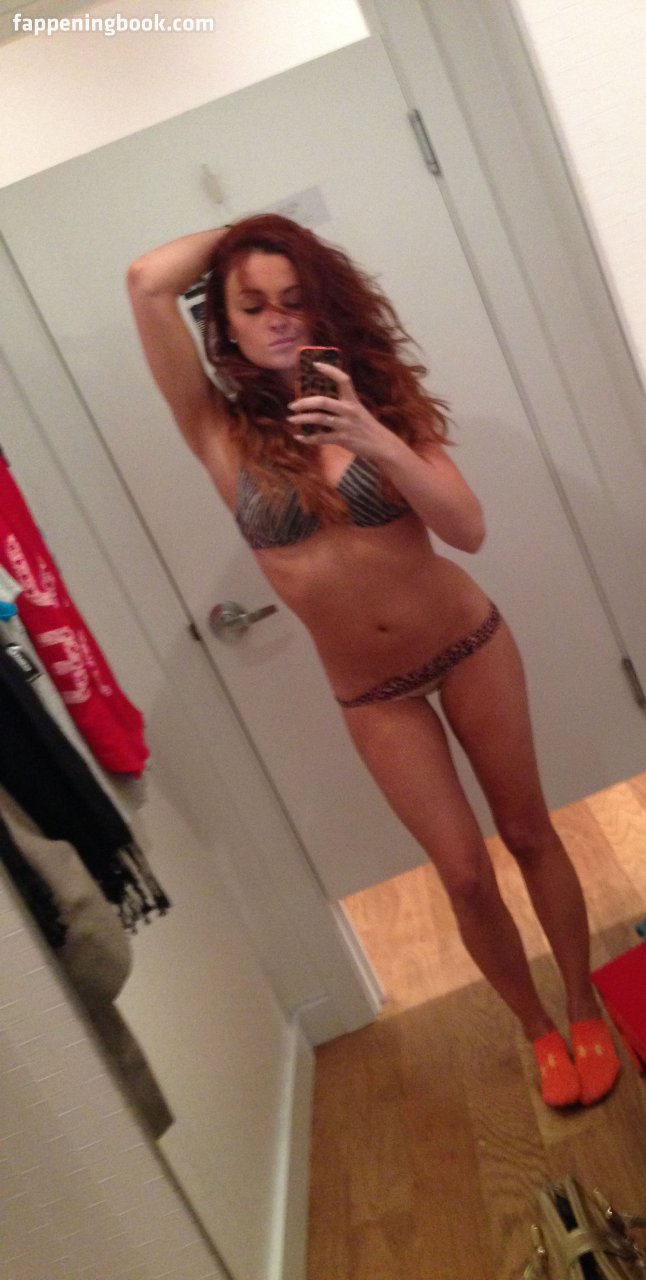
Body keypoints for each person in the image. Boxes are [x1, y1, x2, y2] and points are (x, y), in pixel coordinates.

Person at [126, 214, 619, 1107]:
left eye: (295, 299)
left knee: (527, 832)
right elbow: (147, 281)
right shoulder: (216, 432)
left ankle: (583, 1006)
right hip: (373, 693)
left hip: (469, 646)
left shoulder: (379, 403)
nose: (277, 318)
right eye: (253, 305)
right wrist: (255, 231)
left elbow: (467, 529)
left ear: (323, 307)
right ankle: (537, 1029)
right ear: (224, 324)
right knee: (463, 873)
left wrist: (375, 437)